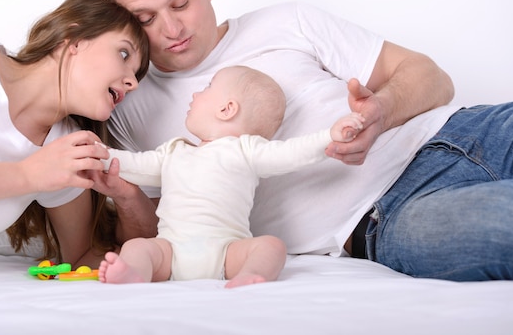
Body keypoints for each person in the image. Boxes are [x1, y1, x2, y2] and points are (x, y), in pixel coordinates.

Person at [99, 0, 513, 281]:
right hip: (385, 216)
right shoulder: (130, 103)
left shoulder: (287, 21)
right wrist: (124, 192)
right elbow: (162, 236)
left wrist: (380, 111)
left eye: (180, 2)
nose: (172, 28)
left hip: (467, 130)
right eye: (146, 19)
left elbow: (433, 78)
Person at [0, 0, 149, 280]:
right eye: (124, 54)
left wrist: (127, 198)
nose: (133, 83)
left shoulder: (64, 149)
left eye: (137, 74)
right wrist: (29, 175)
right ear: (75, 38)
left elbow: (85, 258)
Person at [97, 65, 365, 288]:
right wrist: (100, 154)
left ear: (227, 109)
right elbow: (135, 164)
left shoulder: (247, 151)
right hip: (170, 250)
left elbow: (292, 152)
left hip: (227, 252)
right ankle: (134, 276)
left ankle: (251, 274)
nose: (195, 95)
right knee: (136, 248)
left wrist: (330, 136)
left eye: (207, 88)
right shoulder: (173, 152)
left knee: (271, 246)